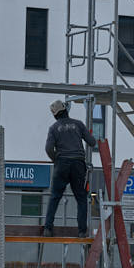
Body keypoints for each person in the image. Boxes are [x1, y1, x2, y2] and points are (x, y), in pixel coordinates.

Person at [43, 99, 97, 238]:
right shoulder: (78, 124)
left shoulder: (53, 128)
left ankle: (48, 228)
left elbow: (48, 149)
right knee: (81, 198)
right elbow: (92, 142)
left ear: (55, 115)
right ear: (66, 110)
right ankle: (82, 231)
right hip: (78, 164)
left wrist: (56, 160)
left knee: (55, 197)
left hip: (62, 164)